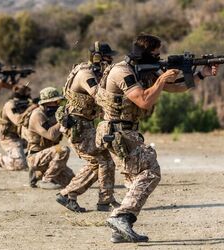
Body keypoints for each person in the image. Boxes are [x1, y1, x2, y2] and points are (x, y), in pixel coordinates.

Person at [95, 34, 219, 243]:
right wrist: (161, 78)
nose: (158, 57)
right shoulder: (121, 71)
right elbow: (143, 101)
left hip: (125, 131)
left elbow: (175, 87)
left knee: (134, 180)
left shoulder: (146, 70)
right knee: (151, 171)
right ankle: (121, 217)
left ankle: (120, 230)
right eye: (155, 54)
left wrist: (201, 74)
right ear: (143, 54)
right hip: (117, 131)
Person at [55, 42, 119, 212]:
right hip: (78, 126)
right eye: (107, 57)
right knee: (99, 160)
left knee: (103, 160)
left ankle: (104, 200)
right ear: (97, 57)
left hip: (85, 124)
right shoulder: (85, 74)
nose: (111, 60)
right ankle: (69, 194)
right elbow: (97, 95)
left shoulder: (93, 72)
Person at [21, 87, 75, 190]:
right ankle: (46, 180)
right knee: (63, 149)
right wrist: (62, 120)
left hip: (48, 155)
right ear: (47, 103)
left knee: (71, 180)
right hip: (35, 157)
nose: (58, 104)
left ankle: (37, 176)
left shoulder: (52, 115)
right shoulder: (38, 115)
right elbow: (51, 135)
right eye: (55, 102)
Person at [0, 84, 35, 171]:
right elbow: (17, 120)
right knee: (19, 165)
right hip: (9, 138)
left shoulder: (27, 104)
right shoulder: (10, 105)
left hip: (22, 137)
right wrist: (30, 109)